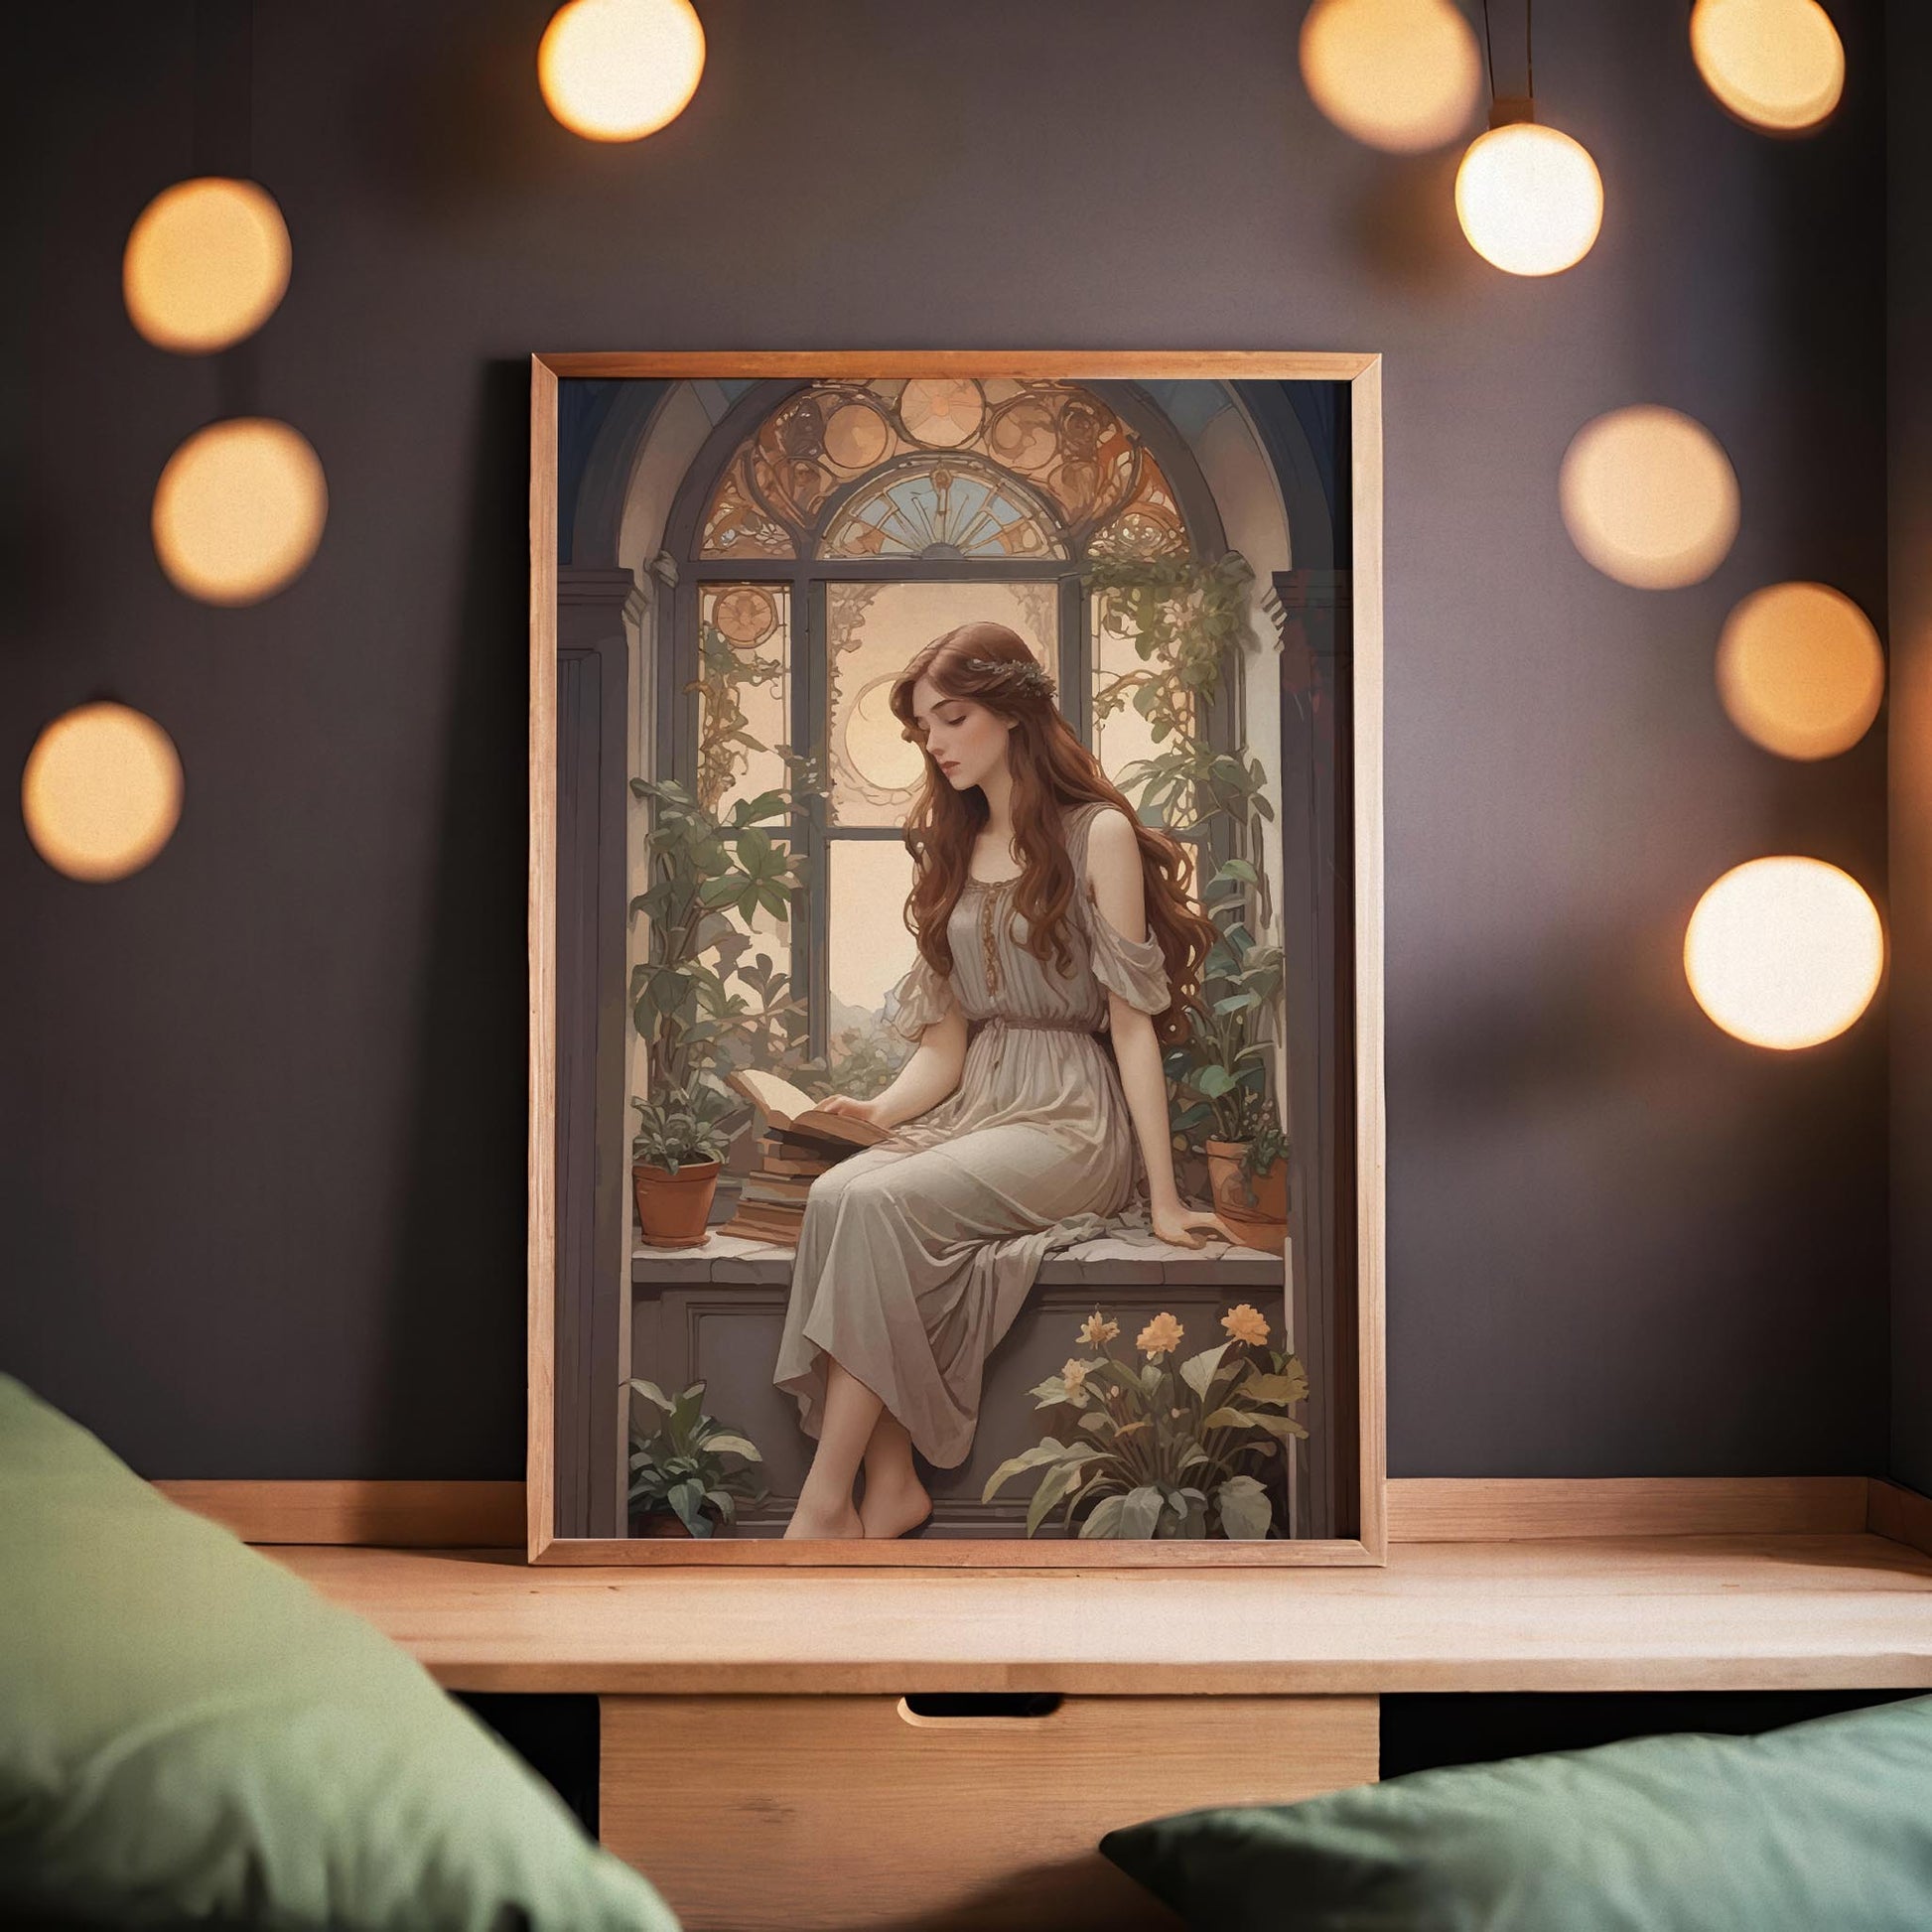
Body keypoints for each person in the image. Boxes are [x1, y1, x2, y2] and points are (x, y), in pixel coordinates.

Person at [771, 620, 1236, 1540]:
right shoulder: (954, 844)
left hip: (1069, 1119)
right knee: (835, 1194)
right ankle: (892, 1481)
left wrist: (1166, 1194)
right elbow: (945, 1049)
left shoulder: (1094, 833)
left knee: (873, 1208)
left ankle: (823, 1506)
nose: (935, 743)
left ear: (1013, 714)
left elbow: (1132, 1026)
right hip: (982, 1103)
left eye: (952, 718)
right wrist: (876, 1109)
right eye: (923, 728)